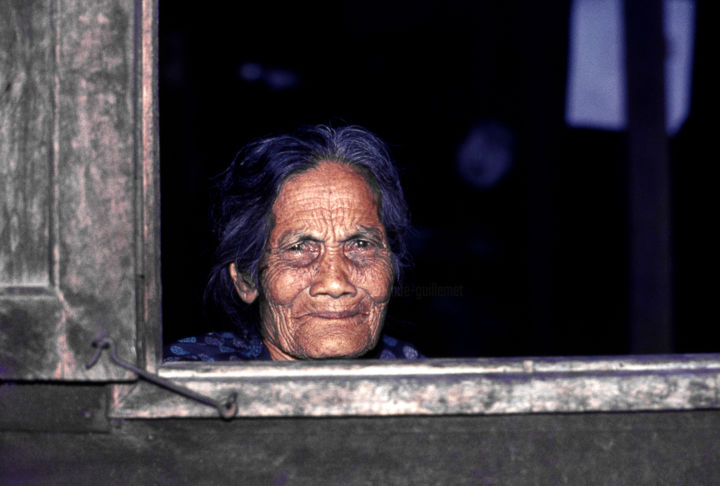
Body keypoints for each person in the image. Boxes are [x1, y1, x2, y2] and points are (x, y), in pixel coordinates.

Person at [165, 124, 422, 361]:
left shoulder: (415, 375)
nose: (334, 284)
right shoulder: (188, 383)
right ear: (246, 279)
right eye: (299, 248)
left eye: (361, 245)